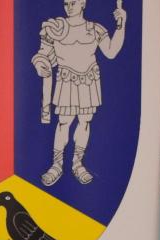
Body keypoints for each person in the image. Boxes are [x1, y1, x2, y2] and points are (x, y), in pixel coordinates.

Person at [32, 0, 128, 187]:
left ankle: (77, 163)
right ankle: (57, 164)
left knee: (84, 122)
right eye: (66, 3)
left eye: (73, 3)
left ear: (83, 3)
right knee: (64, 122)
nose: (69, 7)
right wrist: (40, 65)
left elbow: (111, 52)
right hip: (66, 80)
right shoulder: (55, 28)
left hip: (88, 80)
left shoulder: (95, 29)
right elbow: (42, 54)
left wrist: (121, 25)